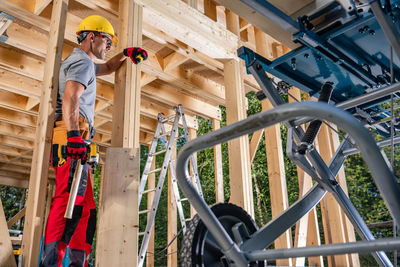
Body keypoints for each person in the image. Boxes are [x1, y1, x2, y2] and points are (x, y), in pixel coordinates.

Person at [40, 15, 148, 267]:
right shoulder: (81, 63)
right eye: (107, 41)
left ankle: (79, 262)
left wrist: (126, 53)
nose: (108, 46)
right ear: (92, 37)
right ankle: (50, 263)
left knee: (86, 207)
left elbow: (108, 67)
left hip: (77, 139)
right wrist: (74, 135)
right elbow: (71, 98)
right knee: (70, 201)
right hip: (72, 138)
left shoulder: (84, 63)